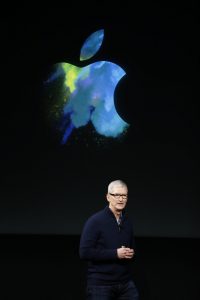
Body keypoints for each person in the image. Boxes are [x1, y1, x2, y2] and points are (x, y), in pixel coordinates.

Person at [79, 180, 139, 299]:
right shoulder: (95, 221)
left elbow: (132, 247)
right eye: (117, 195)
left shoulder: (127, 221)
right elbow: (84, 252)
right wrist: (115, 253)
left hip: (125, 283)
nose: (121, 199)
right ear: (108, 197)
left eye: (124, 195)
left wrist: (131, 253)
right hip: (101, 285)